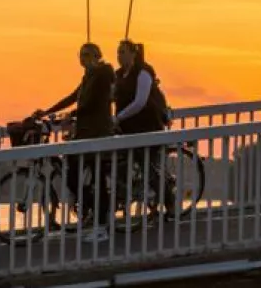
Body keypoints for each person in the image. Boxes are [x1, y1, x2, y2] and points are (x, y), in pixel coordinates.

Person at [35, 42, 115, 242]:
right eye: (81, 55)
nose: (84, 58)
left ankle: (102, 223)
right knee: (72, 173)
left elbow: (91, 103)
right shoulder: (87, 76)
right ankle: (92, 209)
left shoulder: (103, 75)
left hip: (98, 133)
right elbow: (73, 97)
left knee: (97, 178)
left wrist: (69, 115)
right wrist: (48, 111)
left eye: (88, 55)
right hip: (85, 133)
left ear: (97, 56)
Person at [113, 39, 176, 218]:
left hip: (147, 126)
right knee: (121, 164)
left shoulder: (143, 72)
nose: (119, 56)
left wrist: (118, 117)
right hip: (128, 128)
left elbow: (140, 102)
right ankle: (125, 202)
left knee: (148, 166)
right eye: (118, 52)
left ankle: (169, 203)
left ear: (133, 53)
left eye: (123, 52)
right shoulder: (119, 75)